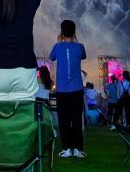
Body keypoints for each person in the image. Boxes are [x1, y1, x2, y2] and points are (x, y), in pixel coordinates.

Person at [50, 19, 87, 158]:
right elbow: (83, 56)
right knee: (76, 119)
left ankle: (67, 148)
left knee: (64, 120)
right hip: (77, 89)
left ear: (61, 32)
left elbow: (51, 57)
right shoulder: (80, 47)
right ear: (74, 32)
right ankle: (78, 148)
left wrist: (60, 40)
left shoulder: (57, 47)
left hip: (62, 91)